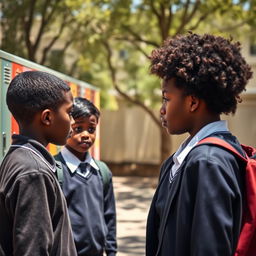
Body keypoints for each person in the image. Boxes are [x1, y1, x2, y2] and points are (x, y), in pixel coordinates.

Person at [146, 32, 253, 256]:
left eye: (166, 98)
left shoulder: (209, 162)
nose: (162, 109)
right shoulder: (183, 159)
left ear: (193, 102)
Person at [0, 71, 77, 256]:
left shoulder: (18, 157)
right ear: (47, 117)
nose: (73, 122)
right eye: (70, 112)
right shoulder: (34, 172)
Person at [54, 97, 117, 256]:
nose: (85, 135)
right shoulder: (54, 169)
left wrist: (111, 250)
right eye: (78, 128)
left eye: (91, 129)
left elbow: (109, 215)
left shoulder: (101, 171)